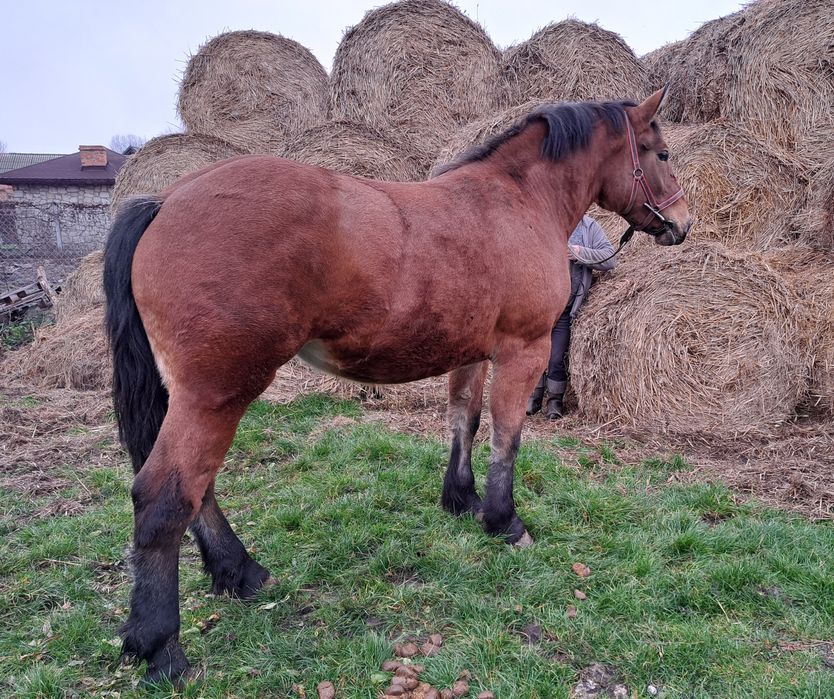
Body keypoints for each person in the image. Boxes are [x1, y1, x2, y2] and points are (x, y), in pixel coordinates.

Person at [527, 215, 617, 419]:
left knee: (557, 358)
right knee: (535, 355)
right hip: (540, 308)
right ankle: (533, 397)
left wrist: (580, 253)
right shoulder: (544, 219)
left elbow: (610, 259)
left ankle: (554, 402)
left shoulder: (589, 227)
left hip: (566, 308)